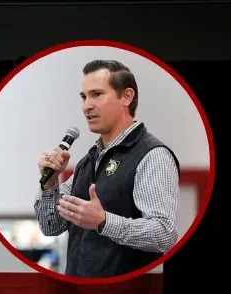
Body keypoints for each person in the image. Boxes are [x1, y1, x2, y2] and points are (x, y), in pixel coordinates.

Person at [33, 60, 180, 278]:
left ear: (126, 97)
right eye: (84, 97)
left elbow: (164, 234)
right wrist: (49, 184)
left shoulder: (152, 154)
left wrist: (104, 222)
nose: (86, 106)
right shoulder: (88, 160)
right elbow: (51, 226)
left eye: (96, 94)